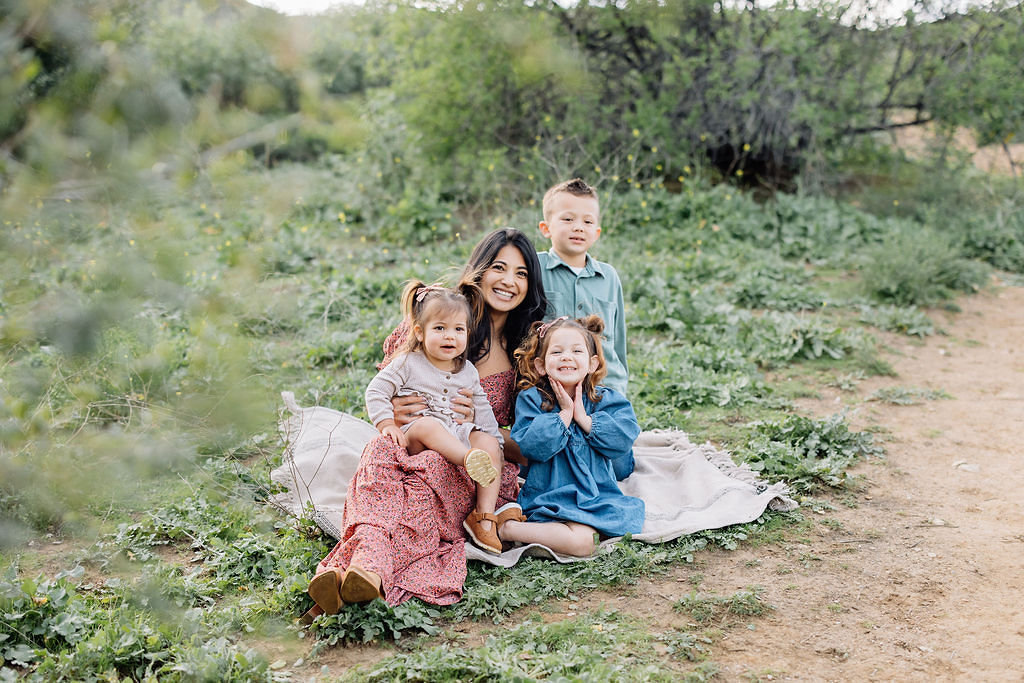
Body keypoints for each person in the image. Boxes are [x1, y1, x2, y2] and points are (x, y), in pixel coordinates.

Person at [305, 228, 547, 616]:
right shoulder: (436, 315)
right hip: (412, 442)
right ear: (479, 271)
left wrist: (483, 432)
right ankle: (358, 573)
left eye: (521, 274)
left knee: (419, 493)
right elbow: (387, 389)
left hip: (466, 459)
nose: (508, 281)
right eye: (499, 268)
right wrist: (397, 414)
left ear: (531, 285)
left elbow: (526, 441)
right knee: (381, 470)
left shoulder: (528, 349)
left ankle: (354, 576)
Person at [363, 281, 504, 553]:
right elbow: (376, 390)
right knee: (429, 425)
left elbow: (482, 408)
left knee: (487, 443)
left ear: (467, 333)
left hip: (454, 432)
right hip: (417, 433)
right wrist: (386, 423)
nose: (449, 336)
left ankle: (484, 517)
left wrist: (494, 443)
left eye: (458, 330)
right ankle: (467, 460)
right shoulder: (408, 363)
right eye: (439, 328)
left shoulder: (468, 371)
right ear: (420, 331)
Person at [496, 315, 644, 557]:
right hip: (551, 495)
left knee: (623, 523)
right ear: (540, 365)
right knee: (586, 543)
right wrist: (564, 415)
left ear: (592, 363)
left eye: (577, 351)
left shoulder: (605, 399)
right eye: (557, 352)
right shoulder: (533, 400)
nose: (567, 357)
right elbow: (532, 447)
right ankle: (507, 529)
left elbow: (623, 441)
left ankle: (535, 534)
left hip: (597, 494)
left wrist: (585, 420)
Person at [537, 178, 629, 397]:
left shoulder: (608, 277)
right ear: (546, 228)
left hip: (602, 388)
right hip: (549, 388)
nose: (578, 227)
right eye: (568, 219)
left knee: (609, 430)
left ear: (596, 232)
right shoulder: (535, 267)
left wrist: (619, 388)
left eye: (587, 222)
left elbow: (617, 341)